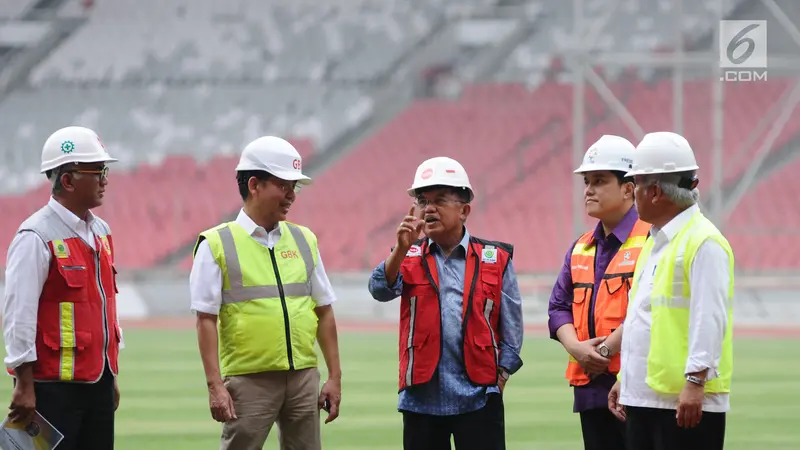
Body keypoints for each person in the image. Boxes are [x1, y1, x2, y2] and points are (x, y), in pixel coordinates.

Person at [189, 136, 342, 450]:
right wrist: (215, 386)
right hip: (248, 380)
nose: (291, 196)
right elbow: (205, 319)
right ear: (254, 184)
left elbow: (324, 310)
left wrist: (334, 377)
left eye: (294, 188)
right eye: (284, 186)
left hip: (303, 377)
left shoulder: (304, 239)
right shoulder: (216, 243)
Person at [368, 156, 524, 450]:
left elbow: (512, 329)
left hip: (480, 400)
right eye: (422, 200)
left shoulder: (496, 259)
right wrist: (400, 250)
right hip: (420, 402)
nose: (428, 208)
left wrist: (500, 377)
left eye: (439, 200)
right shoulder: (406, 254)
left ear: (464, 210)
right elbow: (379, 289)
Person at [607, 131, 734, 450]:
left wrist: (695, 382)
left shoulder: (704, 242)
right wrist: (626, 378)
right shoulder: (655, 242)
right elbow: (644, 316)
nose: (632, 193)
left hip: (684, 403)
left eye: (635, 185)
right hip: (647, 399)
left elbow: (710, 318)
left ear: (654, 193)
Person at [2, 126, 122, 449]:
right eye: (97, 171)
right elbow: (18, 313)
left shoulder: (101, 232)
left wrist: (111, 374)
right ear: (67, 180)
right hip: (51, 391)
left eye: (104, 170)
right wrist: (23, 383)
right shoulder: (35, 236)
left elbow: (106, 305)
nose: (105, 179)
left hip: (97, 384)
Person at [548, 135, 650, 450]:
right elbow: (557, 307)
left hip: (636, 386)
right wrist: (577, 349)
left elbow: (648, 310)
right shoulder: (580, 246)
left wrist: (603, 353)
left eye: (599, 181)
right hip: (589, 388)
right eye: (587, 181)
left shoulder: (652, 240)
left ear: (628, 188)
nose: (588, 189)